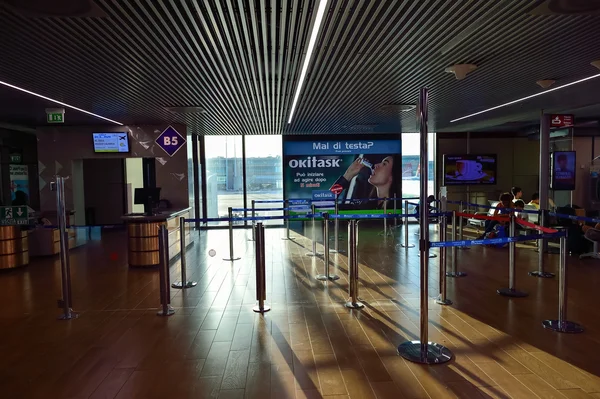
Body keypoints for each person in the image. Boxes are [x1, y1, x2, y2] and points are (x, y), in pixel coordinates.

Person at [331, 154, 401, 209]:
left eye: (384, 164)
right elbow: (326, 205)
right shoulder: (362, 207)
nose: (376, 165)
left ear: (392, 176)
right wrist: (348, 175)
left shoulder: (398, 209)